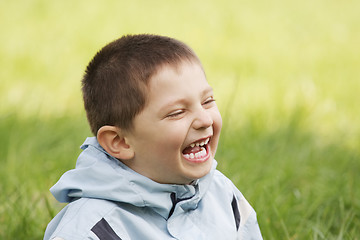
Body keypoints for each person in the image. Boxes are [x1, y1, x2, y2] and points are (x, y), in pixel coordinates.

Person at [44, 34, 262, 240]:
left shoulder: (222, 194)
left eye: (207, 101)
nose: (204, 120)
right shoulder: (93, 230)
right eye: (177, 112)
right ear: (119, 141)